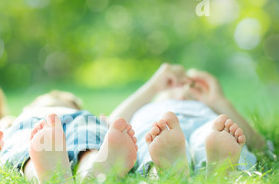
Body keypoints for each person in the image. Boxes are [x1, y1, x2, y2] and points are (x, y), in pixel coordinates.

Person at [108, 63, 265, 176]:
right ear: (156, 96)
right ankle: (163, 168)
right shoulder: (147, 108)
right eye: (172, 92)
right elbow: (111, 124)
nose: (182, 95)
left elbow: (259, 145)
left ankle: (221, 169)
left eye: (192, 94)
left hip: (204, 123)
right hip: (158, 125)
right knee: (151, 137)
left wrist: (219, 101)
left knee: (214, 135)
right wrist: (153, 86)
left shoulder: (209, 109)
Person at [0, 90, 138, 184]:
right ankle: (94, 173)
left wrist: (106, 125)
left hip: (68, 118)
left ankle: (87, 172)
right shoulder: (17, 118)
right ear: (28, 107)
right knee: (89, 140)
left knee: (26, 147)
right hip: (46, 120)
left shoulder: (23, 117)